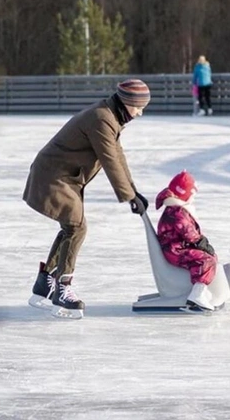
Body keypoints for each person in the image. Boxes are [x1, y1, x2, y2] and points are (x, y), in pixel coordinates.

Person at [23, 79, 151, 318]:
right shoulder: (102, 118)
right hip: (55, 176)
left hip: (64, 176)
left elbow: (117, 155)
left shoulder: (110, 116)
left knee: (71, 228)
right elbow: (110, 160)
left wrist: (134, 191)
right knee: (77, 228)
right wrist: (128, 196)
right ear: (128, 102)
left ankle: (45, 283)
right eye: (139, 107)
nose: (140, 113)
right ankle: (62, 288)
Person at [154, 170, 218, 311]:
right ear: (183, 193)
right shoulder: (176, 212)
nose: (193, 198)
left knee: (211, 257)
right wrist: (203, 243)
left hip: (177, 246)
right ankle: (197, 294)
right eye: (192, 194)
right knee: (205, 260)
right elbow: (189, 233)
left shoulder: (177, 208)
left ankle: (201, 287)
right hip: (175, 250)